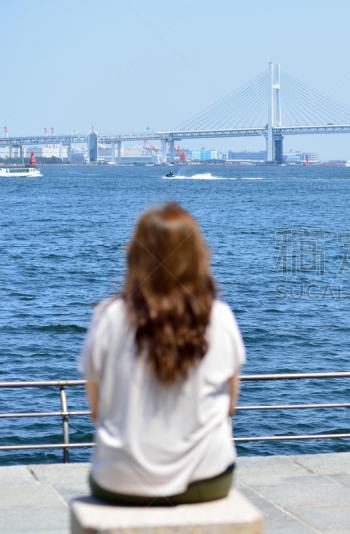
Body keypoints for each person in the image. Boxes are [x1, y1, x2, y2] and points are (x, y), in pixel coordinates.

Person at [79, 202, 245, 505]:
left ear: (136, 254)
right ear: (198, 255)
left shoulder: (109, 316)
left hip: (120, 481)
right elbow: (230, 406)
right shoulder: (220, 317)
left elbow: (96, 409)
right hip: (207, 479)